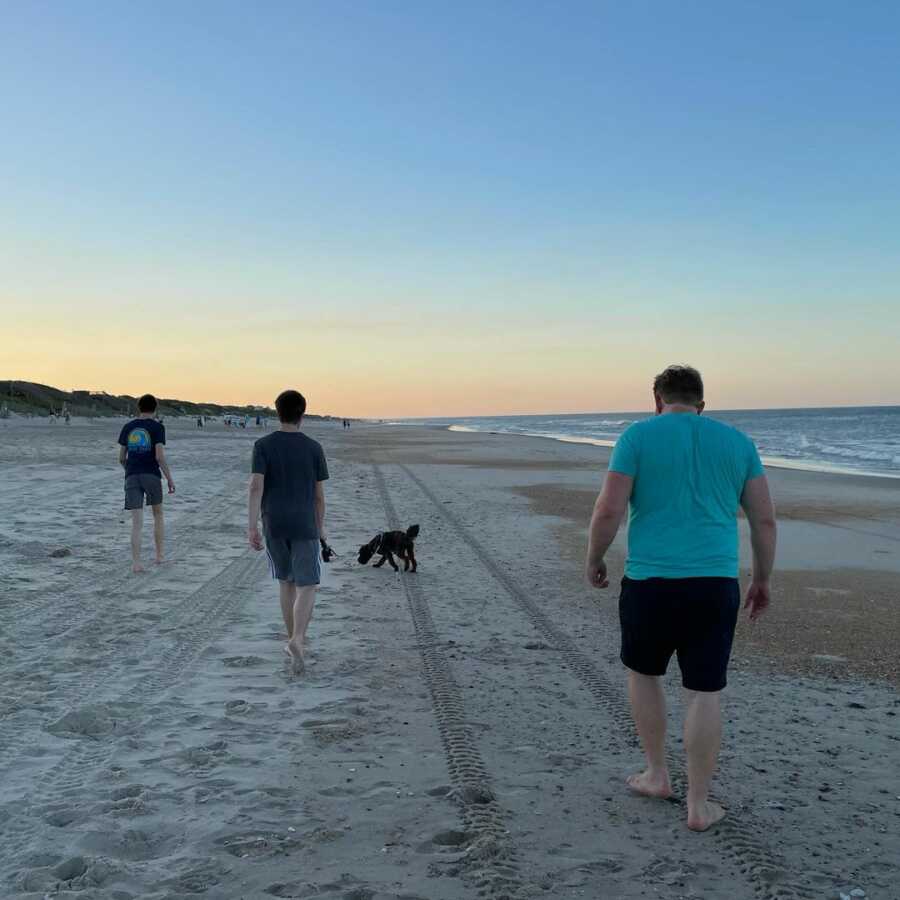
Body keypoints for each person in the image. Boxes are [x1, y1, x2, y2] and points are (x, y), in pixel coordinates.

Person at [584, 365, 776, 833]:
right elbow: (764, 521)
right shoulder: (738, 443)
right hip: (713, 584)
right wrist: (762, 580)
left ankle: (656, 774)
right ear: (702, 404)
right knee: (705, 690)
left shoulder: (637, 437)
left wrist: (594, 557)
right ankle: (699, 804)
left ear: (657, 401)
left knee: (644, 674)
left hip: (650, 582)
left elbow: (609, 508)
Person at [247, 389, 329, 673]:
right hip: (304, 523)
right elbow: (319, 495)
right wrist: (321, 529)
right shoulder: (314, 448)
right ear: (302, 414)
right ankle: (298, 639)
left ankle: (291, 636)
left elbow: (256, 487)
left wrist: (252, 525)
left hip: (274, 522)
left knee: (286, 582)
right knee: (308, 584)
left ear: (277, 412)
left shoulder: (263, 445)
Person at [118, 393, 176, 573]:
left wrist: (130, 470)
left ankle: (136, 563)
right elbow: (159, 456)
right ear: (155, 408)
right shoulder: (157, 427)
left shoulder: (128, 427)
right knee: (158, 515)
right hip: (151, 475)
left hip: (132, 475)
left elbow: (121, 458)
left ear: (139, 408)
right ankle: (159, 556)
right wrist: (169, 478)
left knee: (137, 522)